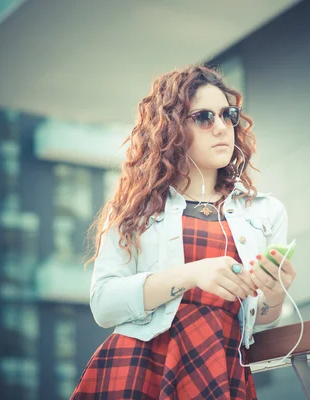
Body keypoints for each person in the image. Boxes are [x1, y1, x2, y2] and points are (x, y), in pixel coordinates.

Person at [70, 65, 297, 400]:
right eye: (204, 117)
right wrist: (192, 274)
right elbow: (104, 304)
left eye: (227, 114)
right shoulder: (133, 209)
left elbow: (259, 319)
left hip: (220, 366)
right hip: (141, 366)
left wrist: (275, 294)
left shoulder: (265, 212)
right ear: (172, 128)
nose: (221, 127)